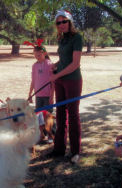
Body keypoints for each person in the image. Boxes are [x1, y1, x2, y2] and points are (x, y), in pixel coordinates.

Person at [47, 9, 83, 163]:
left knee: (73, 115)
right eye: (58, 22)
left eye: (64, 21)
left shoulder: (77, 37)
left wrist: (57, 75)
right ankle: (59, 149)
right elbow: (64, 60)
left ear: (69, 22)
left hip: (72, 80)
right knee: (60, 114)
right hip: (60, 80)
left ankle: (75, 152)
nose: (61, 25)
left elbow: (75, 64)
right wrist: (55, 66)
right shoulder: (61, 38)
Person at [26, 40, 54, 143]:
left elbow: (53, 82)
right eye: (35, 55)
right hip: (38, 95)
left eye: (39, 55)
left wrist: (52, 96)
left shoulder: (49, 64)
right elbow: (33, 81)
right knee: (39, 116)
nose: (37, 57)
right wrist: (30, 94)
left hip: (47, 95)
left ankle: (51, 135)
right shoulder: (34, 66)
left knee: (48, 116)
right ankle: (42, 135)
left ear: (44, 53)